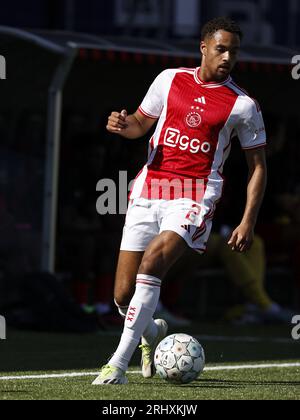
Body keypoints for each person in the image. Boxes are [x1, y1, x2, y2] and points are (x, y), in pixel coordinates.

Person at [92, 17, 267, 385]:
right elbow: (141, 123)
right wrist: (124, 126)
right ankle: (151, 334)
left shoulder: (243, 105)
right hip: (149, 188)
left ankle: (116, 366)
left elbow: (257, 167)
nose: (227, 57)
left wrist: (248, 220)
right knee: (123, 295)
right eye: (221, 49)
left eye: (234, 51)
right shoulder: (169, 79)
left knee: (154, 259)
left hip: (194, 194)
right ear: (203, 47)